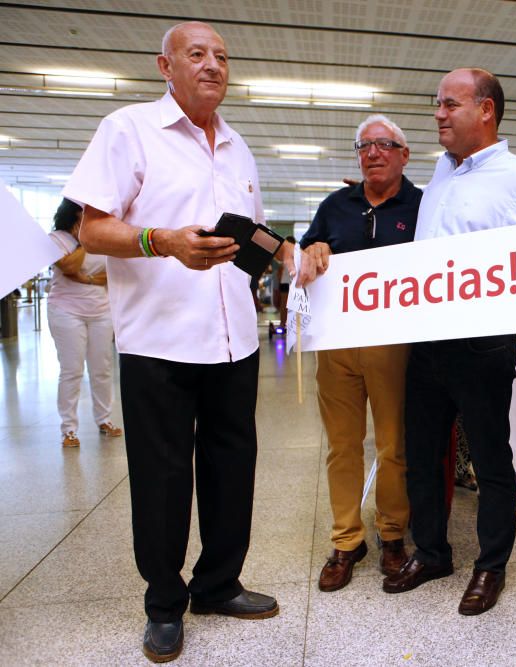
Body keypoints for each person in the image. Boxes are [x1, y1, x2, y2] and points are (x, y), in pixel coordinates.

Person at [63, 21, 285, 663]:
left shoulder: (239, 146)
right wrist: (163, 241)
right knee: (162, 479)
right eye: (197, 54)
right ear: (165, 65)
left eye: (221, 55)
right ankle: (164, 603)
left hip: (234, 338)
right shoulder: (128, 129)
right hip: (159, 340)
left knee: (231, 467)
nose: (213, 64)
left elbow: (256, 236)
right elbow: (92, 230)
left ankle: (219, 583)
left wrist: (294, 254)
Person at [381, 67, 516, 615]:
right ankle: (432, 552)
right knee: (423, 455)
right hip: (427, 341)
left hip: (482, 345)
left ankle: (491, 566)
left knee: (490, 458)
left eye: (449, 105)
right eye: (437, 104)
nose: (438, 114)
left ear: (485, 110)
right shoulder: (441, 170)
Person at [295, 113, 420, 592]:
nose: (372, 153)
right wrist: (314, 250)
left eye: (384, 144)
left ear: (404, 155)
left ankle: (392, 534)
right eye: (364, 146)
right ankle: (347, 539)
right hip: (337, 344)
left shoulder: (423, 206)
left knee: (393, 445)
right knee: (342, 446)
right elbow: (304, 255)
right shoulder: (335, 205)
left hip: (394, 345)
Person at [46, 198, 122, 448]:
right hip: (66, 310)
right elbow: (68, 266)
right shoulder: (57, 239)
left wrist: (85, 279)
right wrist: (83, 240)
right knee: (72, 370)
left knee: (102, 368)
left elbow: (109, 275)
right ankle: (68, 429)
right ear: (73, 217)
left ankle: (104, 419)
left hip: (100, 310)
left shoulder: (103, 239)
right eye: (83, 218)